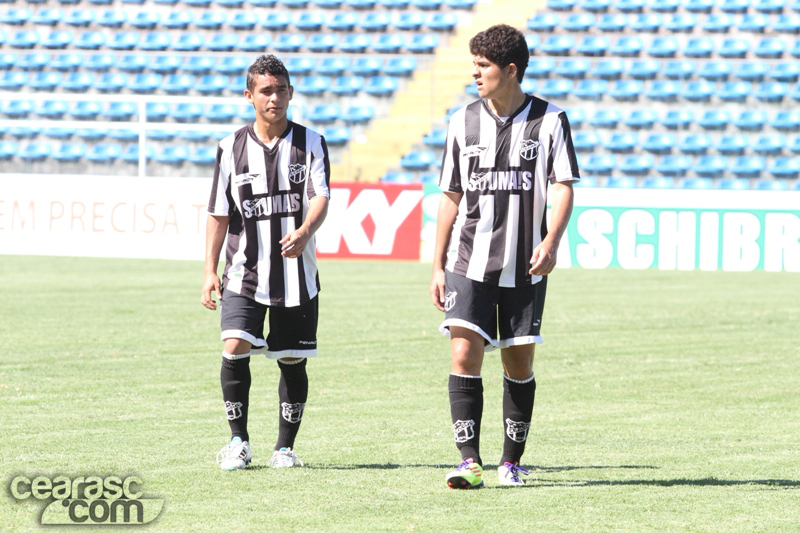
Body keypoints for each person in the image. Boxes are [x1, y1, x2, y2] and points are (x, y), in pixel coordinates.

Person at [429, 24, 580, 489]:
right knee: (462, 352)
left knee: (518, 364)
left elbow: (562, 186)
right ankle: (468, 461)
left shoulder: (551, 121)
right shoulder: (462, 122)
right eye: (473, 65)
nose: (475, 74)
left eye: (484, 67)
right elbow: (451, 195)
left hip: (525, 264)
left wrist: (551, 241)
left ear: (510, 71)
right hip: (467, 261)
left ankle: (511, 463)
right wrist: (436, 263)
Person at [201, 54, 330, 470]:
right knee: (234, 345)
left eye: (281, 90)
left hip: (297, 276)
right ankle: (238, 441)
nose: (274, 98)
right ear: (249, 96)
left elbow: (321, 197)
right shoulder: (229, 147)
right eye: (266, 91)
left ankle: (285, 448)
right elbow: (219, 213)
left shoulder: (311, 143)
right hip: (242, 271)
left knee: (291, 358)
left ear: (291, 93)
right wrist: (208, 270)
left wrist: (306, 231)